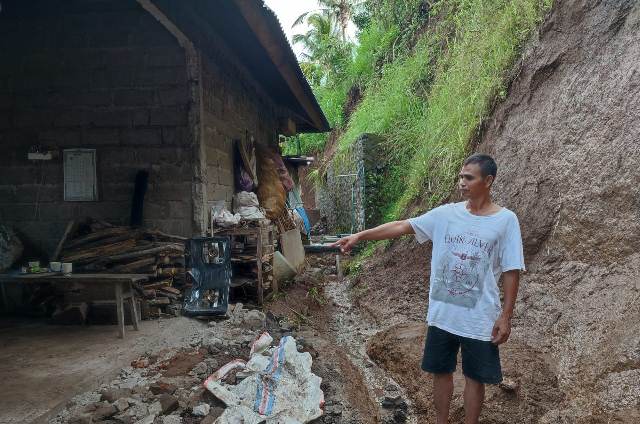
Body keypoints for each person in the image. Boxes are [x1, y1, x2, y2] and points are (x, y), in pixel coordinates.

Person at [331, 154, 525, 424]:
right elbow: (402, 225)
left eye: (469, 178)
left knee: (475, 378)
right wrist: (360, 236)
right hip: (443, 314)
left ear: (488, 181)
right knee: (440, 372)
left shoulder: (506, 221)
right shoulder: (446, 214)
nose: (462, 183)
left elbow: (511, 269)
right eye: (460, 177)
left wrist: (506, 316)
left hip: (480, 317)